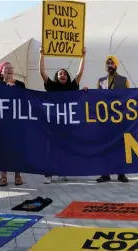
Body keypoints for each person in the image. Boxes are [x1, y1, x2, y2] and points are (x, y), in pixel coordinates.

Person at [39, 45, 86, 184]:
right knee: (51, 149)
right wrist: (41, 54)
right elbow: (42, 72)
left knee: (65, 148)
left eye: (65, 73)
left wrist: (83, 55)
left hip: (67, 124)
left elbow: (80, 72)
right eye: (60, 74)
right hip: (52, 124)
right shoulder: (52, 86)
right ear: (57, 77)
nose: (63, 75)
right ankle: (48, 174)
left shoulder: (72, 86)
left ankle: (62, 172)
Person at [94, 55, 130, 183]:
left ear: (116, 65)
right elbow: (96, 98)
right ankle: (105, 173)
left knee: (121, 146)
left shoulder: (124, 80)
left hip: (119, 120)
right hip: (105, 120)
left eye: (112, 63)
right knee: (105, 147)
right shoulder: (101, 81)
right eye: (108, 63)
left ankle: (121, 173)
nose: (110, 65)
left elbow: (129, 97)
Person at [0, 62, 25, 186]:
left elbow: (25, 99)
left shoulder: (20, 84)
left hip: (17, 121)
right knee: (3, 149)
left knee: (17, 149)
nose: (9, 70)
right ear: (1, 72)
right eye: (6, 69)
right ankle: (3, 176)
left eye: (11, 68)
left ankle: (18, 175)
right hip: (3, 121)